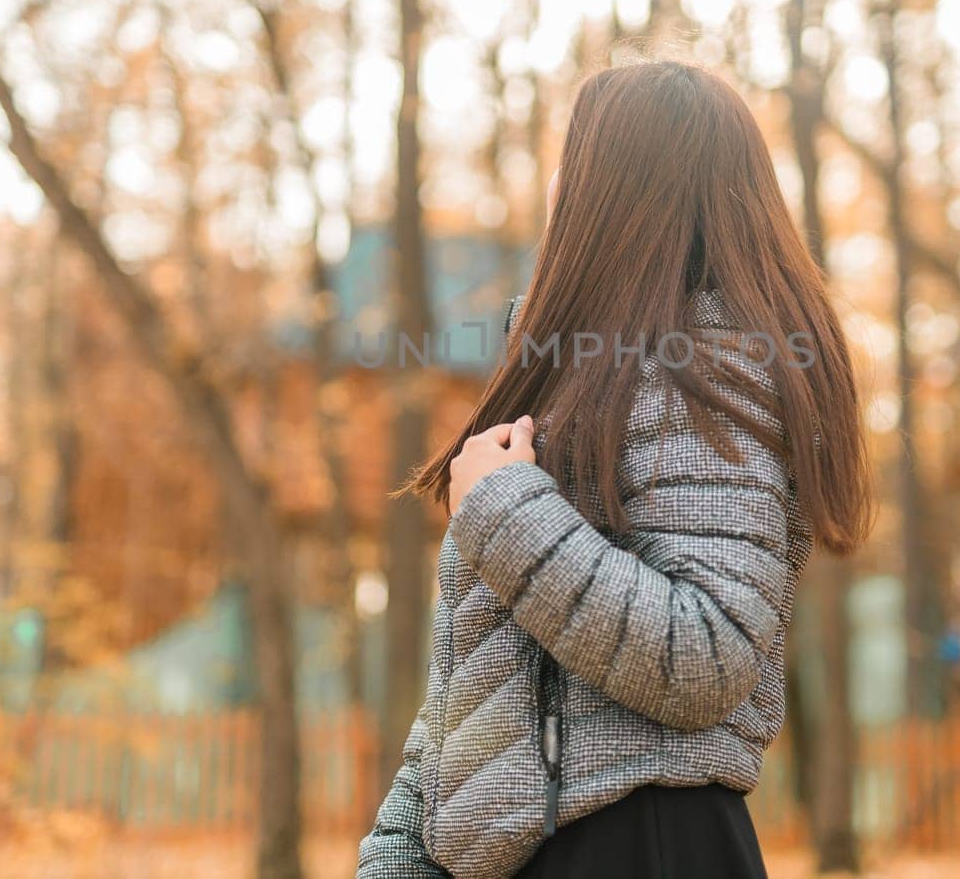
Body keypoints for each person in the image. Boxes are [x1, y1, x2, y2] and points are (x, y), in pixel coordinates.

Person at [357, 59, 872, 878]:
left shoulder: (707, 370)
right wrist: (398, 858)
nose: (557, 178)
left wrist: (507, 511)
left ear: (621, 187)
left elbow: (709, 651)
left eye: (577, 152)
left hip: (643, 844)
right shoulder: (576, 379)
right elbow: (480, 686)